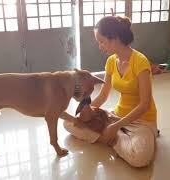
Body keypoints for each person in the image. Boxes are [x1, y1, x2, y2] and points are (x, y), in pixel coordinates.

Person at [61, 16, 158, 167]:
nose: (100, 46)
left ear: (115, 38)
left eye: (101, 41)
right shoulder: (111, 61)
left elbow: (144, 105)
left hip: (141, 121)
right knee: (69, 123)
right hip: (115, 115)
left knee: (140, 157)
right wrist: (89, 109)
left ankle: (110, 137)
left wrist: (115, 127)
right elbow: (104, 95)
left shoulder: (140, 62)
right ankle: (114, 138)